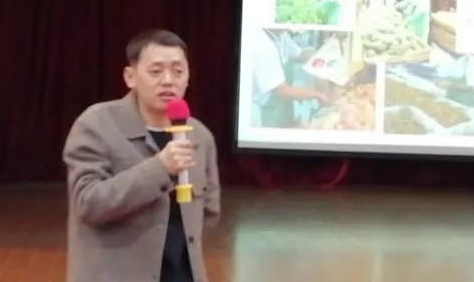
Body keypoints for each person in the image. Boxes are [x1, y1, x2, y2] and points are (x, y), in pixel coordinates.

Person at [62, 29, 221, 282]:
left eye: (178, 71)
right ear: (130, 77)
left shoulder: (198, 135)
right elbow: (88, 203)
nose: (168, 81)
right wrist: (160, 168)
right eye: (156, 71)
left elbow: (209, 211)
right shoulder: (97, 125)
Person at [251, 28, 332, 128]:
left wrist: (325, 55)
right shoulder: (262, 45)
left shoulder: (280, 34)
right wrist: (317, 94)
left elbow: (299, 54)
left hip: (281, 107)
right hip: (265, 112)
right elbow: (282, 91)